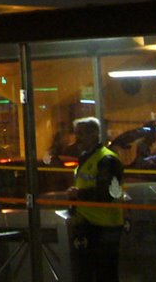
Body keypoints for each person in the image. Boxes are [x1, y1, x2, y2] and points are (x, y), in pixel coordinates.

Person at [67, 116, 124, 281]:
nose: (77, 138)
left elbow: (107, 193)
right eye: (76, 133)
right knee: (87, 271)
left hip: (105, 227)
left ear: (94, 134)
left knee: (105, 273)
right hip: (89, 223)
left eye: (81, 134)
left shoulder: (107, 159)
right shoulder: (87, 158)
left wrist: (79, 194)